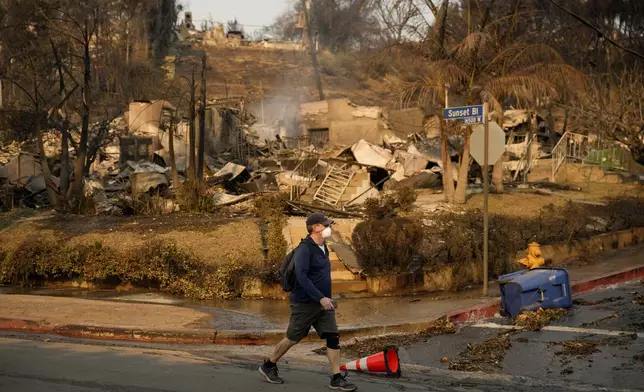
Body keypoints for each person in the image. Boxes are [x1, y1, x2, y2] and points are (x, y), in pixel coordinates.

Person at [258, 212, 357, 391]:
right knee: (292, 338)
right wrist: (320, 297)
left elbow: (320, 275)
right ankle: (269, 365)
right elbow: (302, 277)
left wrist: (326, 299)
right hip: (305, 303)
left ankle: (336, 377)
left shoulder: (323, 247)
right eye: (326, 225)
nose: (329, 228)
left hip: (324, 305)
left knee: (332, 337)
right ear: (316, 228)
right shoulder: (305, 249)